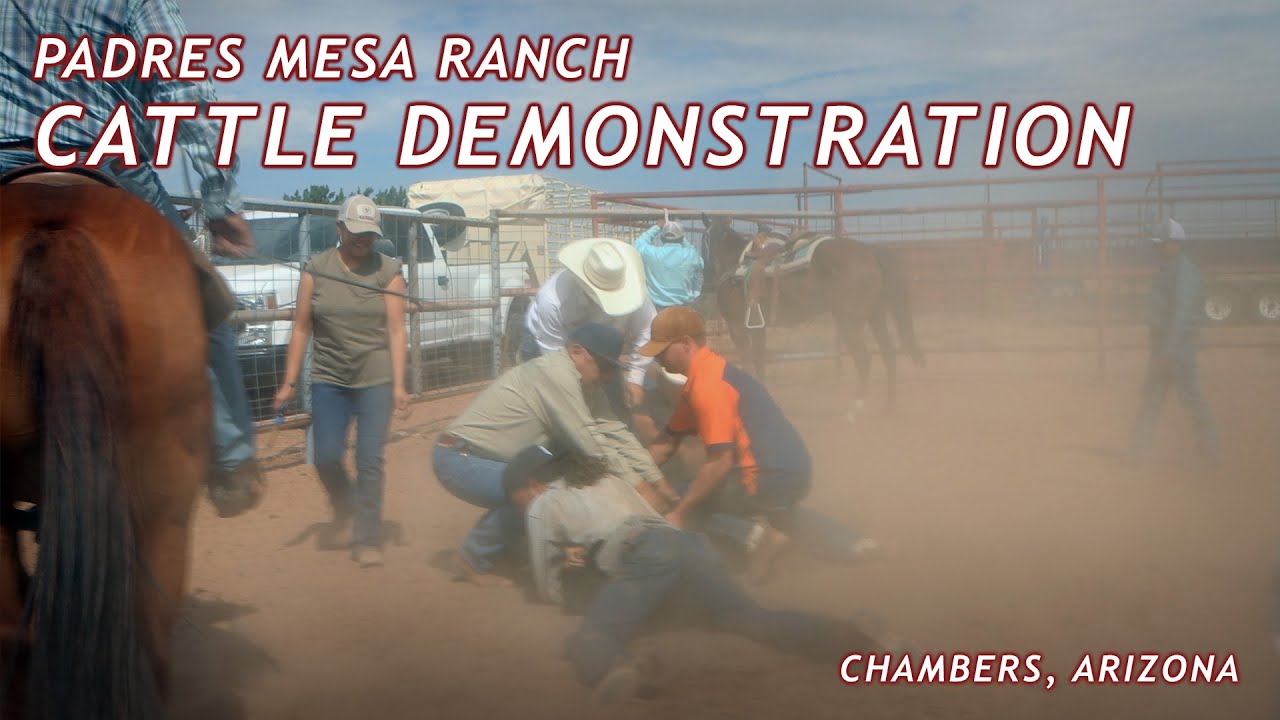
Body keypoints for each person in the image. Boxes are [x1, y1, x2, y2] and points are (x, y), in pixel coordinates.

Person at [0, 0, 262, 517]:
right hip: (108, 158)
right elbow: (187, 90)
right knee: (204, 305)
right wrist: (219, 203)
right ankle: (232, 460)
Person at [508, 449, 903, 704]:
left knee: (591, 635)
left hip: (644, 554)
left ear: (533, 485)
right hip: (690, 546)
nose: (525, 508)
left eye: (519, 501)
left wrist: (570, 580)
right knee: (750, 619)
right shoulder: (606, 478)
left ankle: (616, 667)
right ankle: (852, 637)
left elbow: (547, 585)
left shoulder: (544, 503)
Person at [639, 306, 879, 583]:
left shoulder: (708, 387)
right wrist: (629, 470)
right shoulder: (712, 373)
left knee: (686, 498)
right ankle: (855, 544)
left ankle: (755, 542)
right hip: (792, 468)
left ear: (685, 344)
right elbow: (666, 444)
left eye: (661, 350)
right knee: (781, 513)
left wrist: (680, 512)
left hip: (767, 475)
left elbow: (719, 463)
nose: (657, 358)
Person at [433, 322, 677, 586]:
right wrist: (640, 487)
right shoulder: (555, 375)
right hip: (460, 458)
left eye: (611, 369)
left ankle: (507, 544)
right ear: (576, 351)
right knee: (538, 492)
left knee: (545, 482)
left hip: (489, 458)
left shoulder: (585, 384)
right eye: (603, 366)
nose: (607, 376)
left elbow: (617, 431)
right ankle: (471, 558)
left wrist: (659, 483)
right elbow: (591, 443)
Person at [273, 195, 411, 568]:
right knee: (326, 455)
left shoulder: (388, 270)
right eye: (356, 233)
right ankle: (345, 502)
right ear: (339, 229)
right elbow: (302, 329)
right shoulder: (316, 269)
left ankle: (367, 536)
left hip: (376, 379)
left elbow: (397, 331)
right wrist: (288, 382)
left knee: (369, 459)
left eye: (370, 234)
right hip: (330, 379)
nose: (364, 240)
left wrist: (399, 384)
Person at [521, 238, 657, 415]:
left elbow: (647, 329)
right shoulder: (553, 299)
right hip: (548, 344)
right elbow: (554, 359)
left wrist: (635, 378)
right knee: (552, 404)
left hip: (599, 348)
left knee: (612, 404)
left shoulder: (637, 295)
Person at [1127, 218, 1219, 464]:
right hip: (1164, 345)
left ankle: (1211, 450)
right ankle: (1138, 452)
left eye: (1161, 244)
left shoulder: (1184, 272)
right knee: (1152, 397)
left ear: (1175, 244)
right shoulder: (1168, 269)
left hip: (1179, 347)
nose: (1156, 248)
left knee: (1191, 396)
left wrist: (1168, 350)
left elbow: (1181, 312)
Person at [633, 220, 704, 312]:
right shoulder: (691, 255)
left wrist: (657, 227)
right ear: (681, 238)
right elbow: (698, 260)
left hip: (656, 309)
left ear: (662, 238)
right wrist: (682, 239)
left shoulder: (650, 253)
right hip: (684, 307)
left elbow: (637, 244)